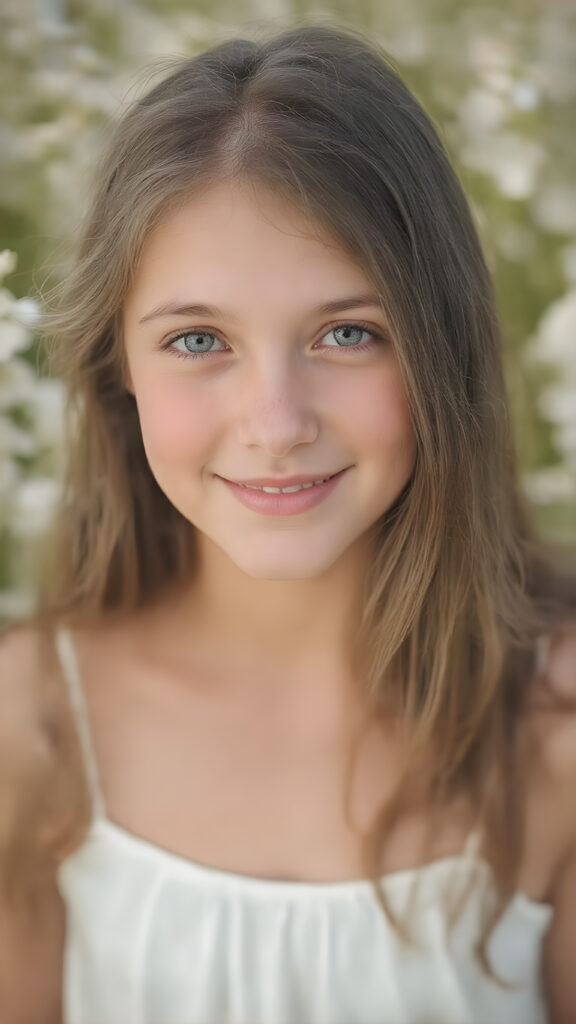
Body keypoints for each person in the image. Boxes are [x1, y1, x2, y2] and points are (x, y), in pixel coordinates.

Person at [0, 21, 575, 1024]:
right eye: (198, 339)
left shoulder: (553, 731)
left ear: (442, 350)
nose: (276, 423)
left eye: (348, 332)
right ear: (117, 370)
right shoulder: (34, 720)